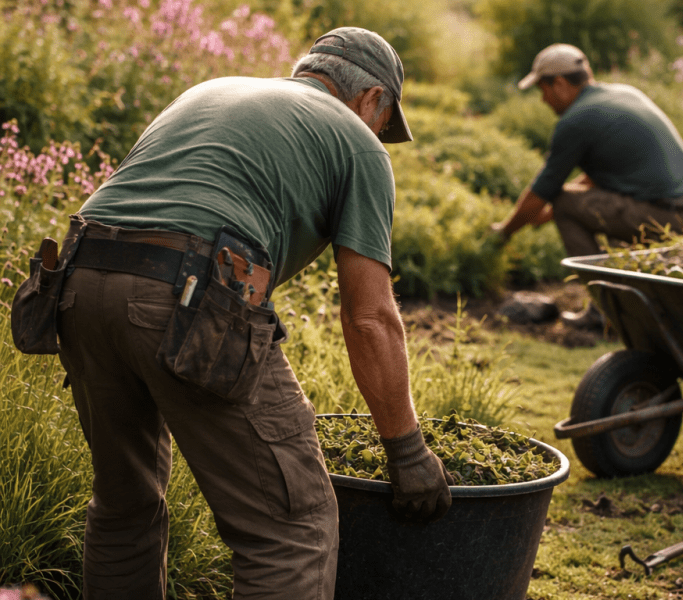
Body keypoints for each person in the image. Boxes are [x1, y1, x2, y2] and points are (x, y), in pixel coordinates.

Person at [26, 27, 453, 600]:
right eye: (384, 119)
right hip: (182, 291)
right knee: (292, 528)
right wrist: (406, 450)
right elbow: (369, 317)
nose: (379, 132)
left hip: (77, 280)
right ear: (373, 99)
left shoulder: (210, 91)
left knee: (124, 507)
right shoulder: (358, 141)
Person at [491, 43, 683, 329]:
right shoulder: (620, 94)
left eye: (541, 90)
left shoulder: (576, 120)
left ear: (558, 84)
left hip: (669, 214)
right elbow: (601, 174)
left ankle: (605, 311)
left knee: (565, 204)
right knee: (571, 204)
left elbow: (541, 193)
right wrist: (543, 216)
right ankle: (634, 305)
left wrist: (504, 233)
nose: (543, 100)